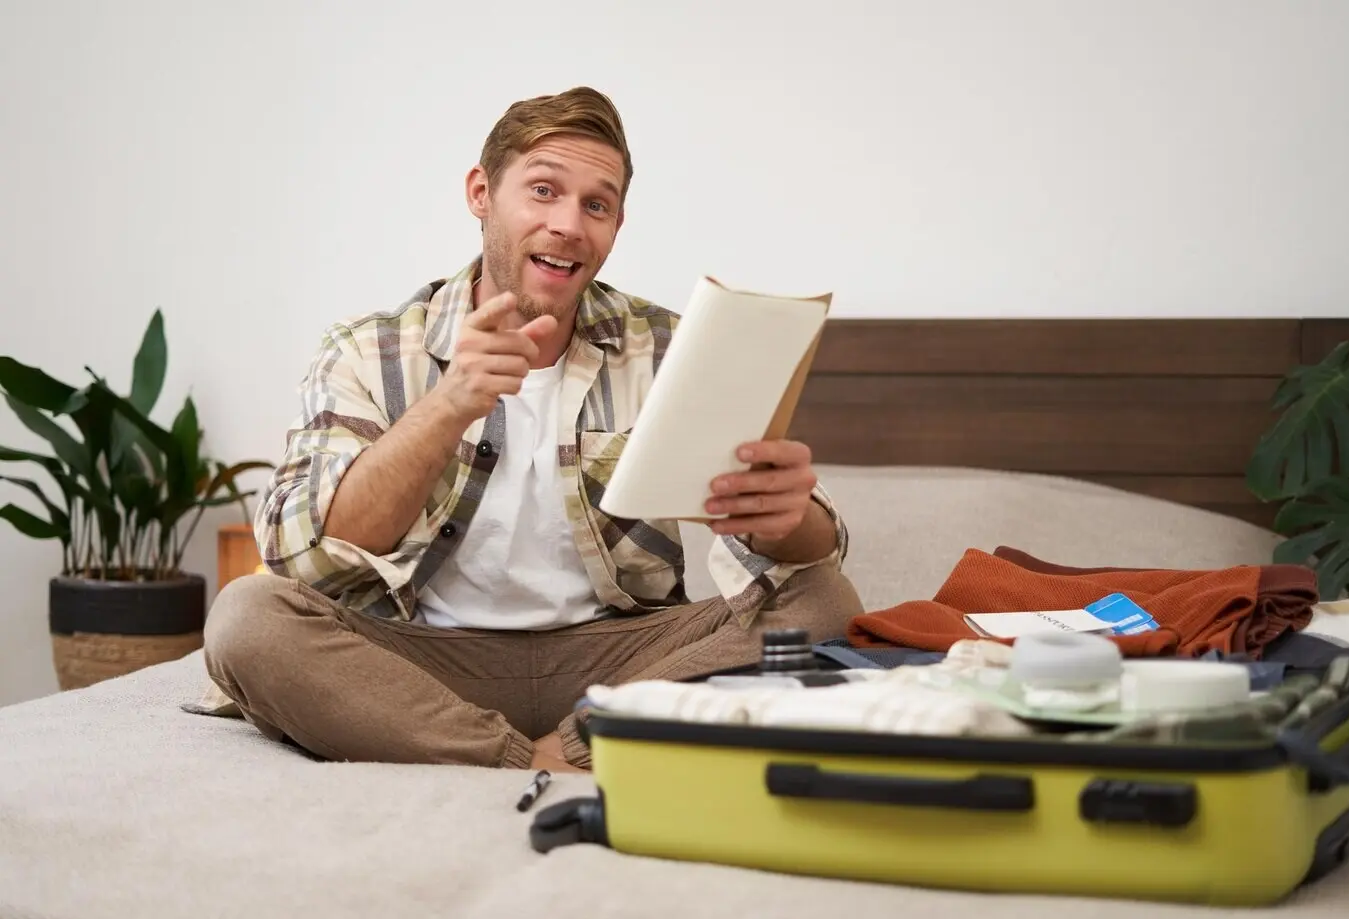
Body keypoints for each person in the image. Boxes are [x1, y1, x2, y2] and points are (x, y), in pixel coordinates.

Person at [197, 86, 863, 774]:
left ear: (616, 225)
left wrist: (784, 515)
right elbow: (299, 556)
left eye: (595, 205)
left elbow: (811, 556)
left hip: (620, 658)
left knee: (823, 602)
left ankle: (574, 738)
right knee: (248, 618)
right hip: (424, 660)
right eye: (543, 190)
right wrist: (449, 402)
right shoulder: (369, 351)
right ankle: (531, 760)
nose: (569, 224)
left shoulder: (670, 347)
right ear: (481, 192)